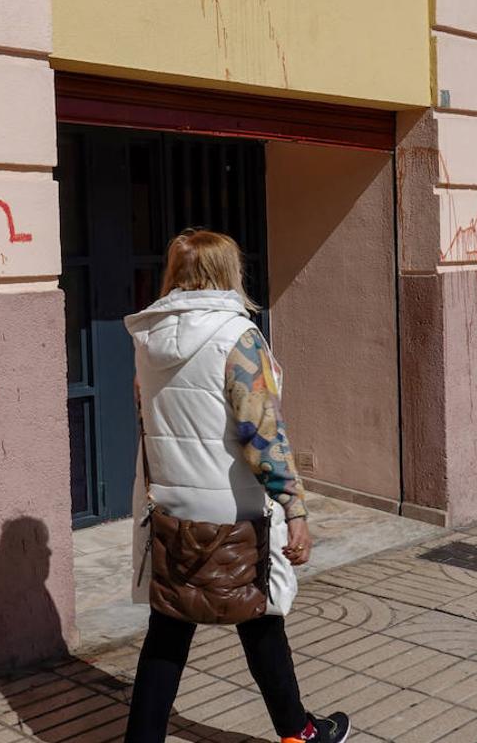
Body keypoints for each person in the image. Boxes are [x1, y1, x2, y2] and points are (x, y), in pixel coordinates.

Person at [122, 229, 350, 743]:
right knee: (261, 617)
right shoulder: (238, 337)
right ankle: (299, 732)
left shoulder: (148, 339)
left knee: (169, 629)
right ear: (229, 273)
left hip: (173, 508)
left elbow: (147, 421)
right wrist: (295, 510)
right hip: (234, 509)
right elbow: (261, 433)